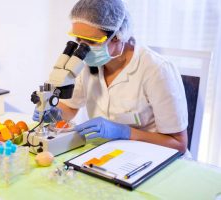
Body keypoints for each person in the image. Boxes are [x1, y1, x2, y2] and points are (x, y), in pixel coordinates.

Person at [33, 0, 189, 155]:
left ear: (117, 36)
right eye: (78, 40)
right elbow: (71, 107)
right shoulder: (87, 64)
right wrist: (52, 112)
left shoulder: (157, 70)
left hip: (152, 159)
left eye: (91, 42)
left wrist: (126, 132)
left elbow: (178, 144)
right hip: (108, 155)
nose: (82, 49)